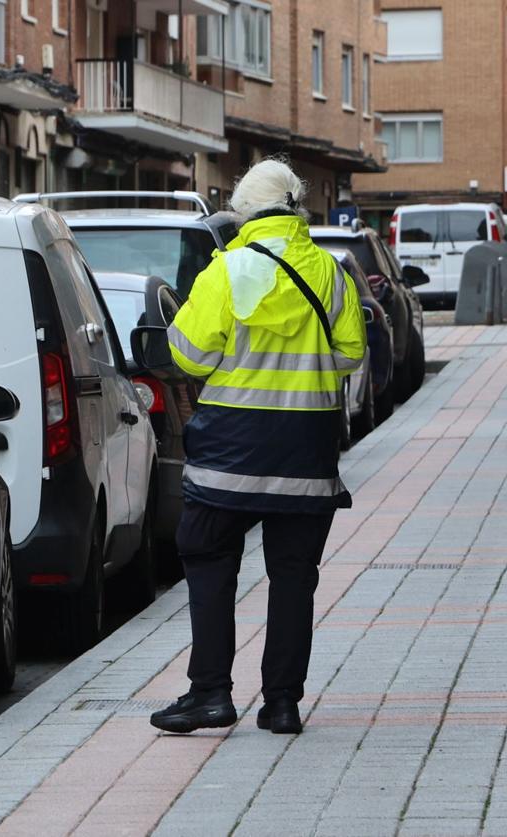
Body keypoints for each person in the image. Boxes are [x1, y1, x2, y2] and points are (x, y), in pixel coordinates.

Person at [149, 159, 367, 736]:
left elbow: (190, 356)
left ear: (245, 211)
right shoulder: (330, 272)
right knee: (294, 575)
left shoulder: (226, 272)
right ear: (295, 206)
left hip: (230, 451)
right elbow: (351, 355)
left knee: (208, 557)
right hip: (306, 451)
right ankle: (283, 703)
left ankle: (210, 694)